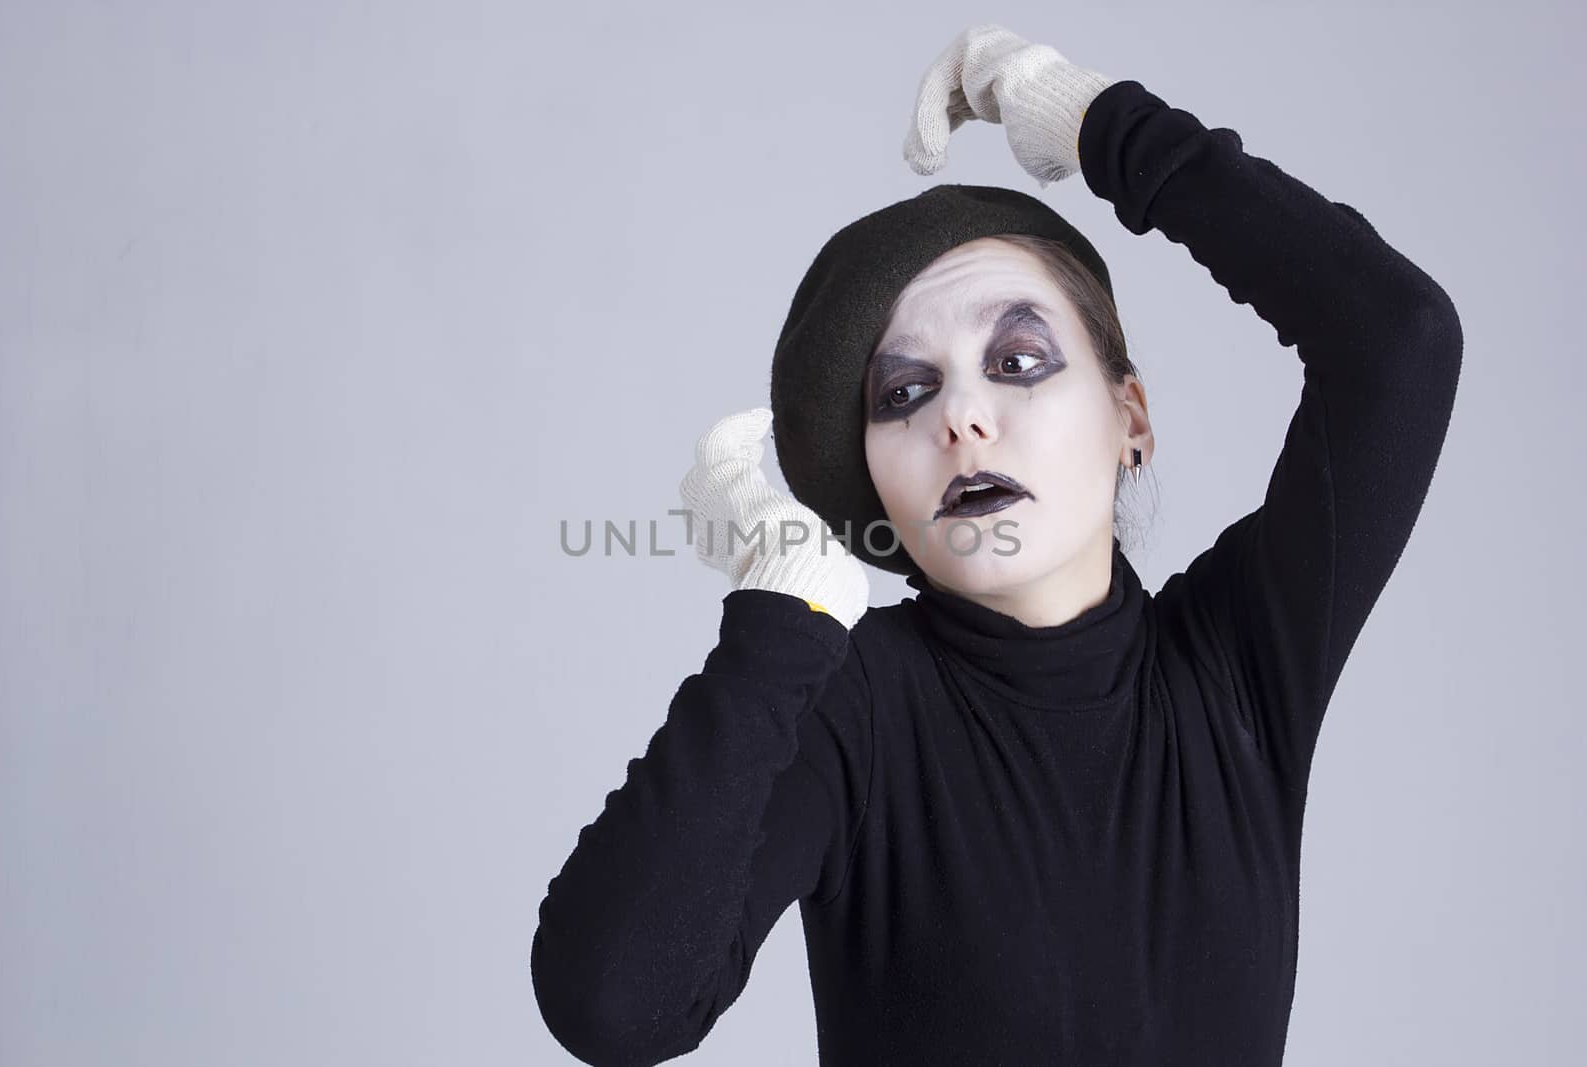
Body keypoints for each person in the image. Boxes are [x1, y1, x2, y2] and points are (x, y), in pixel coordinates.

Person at [531, 24, 1462, 1066]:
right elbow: (614, 1005)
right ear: (872, 480)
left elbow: (1399, 339)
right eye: (904, 392)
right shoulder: (850, 708)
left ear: (1131, 421)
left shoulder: (1239, 661)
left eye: (1016, 360)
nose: (962, 419)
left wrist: (1099, 124)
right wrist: (775, 615)